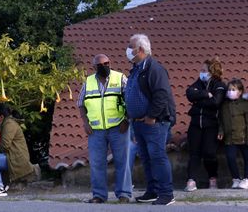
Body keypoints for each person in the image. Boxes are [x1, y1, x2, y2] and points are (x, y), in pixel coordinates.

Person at [124, 34, 176, 206]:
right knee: (146, 158)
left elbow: (161, 95)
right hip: (138, 122)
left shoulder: (154, 69)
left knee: (157, 156)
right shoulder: (136, 68)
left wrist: (152, 116)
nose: (128, 49)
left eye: (130, 46)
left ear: (139, 49)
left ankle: (167, 194)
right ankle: (152, 191)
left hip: (155, 122)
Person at [77, 54, 131, 204]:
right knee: (97, 163)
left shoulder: (120, 78)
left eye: (107, 63)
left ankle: (124, 194)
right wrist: (85, 122)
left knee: (122, 161)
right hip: (96, 130)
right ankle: (99, 195)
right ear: (94, 68)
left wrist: (127, 119)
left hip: (119, 127)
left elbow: (130, 99)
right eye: (100, 65)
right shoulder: (88, 82)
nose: (105, 66)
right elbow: (80, 103)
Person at [0, 103, 36, 197]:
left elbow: (5, 145)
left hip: (16, 158)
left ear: (1, 116)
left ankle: (0, 188)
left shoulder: (9, 124)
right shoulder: (1, 124)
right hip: (8, 155)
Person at [184, 58, 226, 192]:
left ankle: (212, 178)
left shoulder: (219, 85)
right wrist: (205, 94)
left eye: (204, 70)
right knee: (194, 153)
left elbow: (215, 102)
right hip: (195, 124)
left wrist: (198, 101)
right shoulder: (198, 83)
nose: (201, 72)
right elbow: (189, 93)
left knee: (209, 153)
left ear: (212, 72)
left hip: (211, 125)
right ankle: (191, 180)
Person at [218, 79, 248, 189]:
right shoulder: (224, 105)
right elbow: (221, 120)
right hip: (229, 138)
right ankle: (235, 179)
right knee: (230, 158)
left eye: (233, 89)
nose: (230, 91)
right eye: (229, 89)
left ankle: (246, 179)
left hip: (244, 137)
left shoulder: (245, 104)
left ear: (240, 91)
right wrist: (221, 131)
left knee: (247, 158)